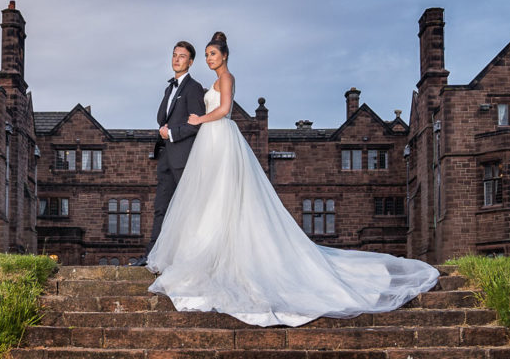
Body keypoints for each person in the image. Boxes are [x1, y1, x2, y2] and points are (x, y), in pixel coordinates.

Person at [146, 32, 440, 327]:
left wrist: (199, 120)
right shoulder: (209, 83)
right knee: (208, 197)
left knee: (223, 194)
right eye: (207, 54)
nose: (210, 58)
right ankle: (206, 252)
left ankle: (221, 255)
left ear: (224, 56)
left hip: (220, 136)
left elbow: (223, 110)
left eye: (213, 54)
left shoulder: (227, 79)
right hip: (209, 142)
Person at [131, 41, 206, 267]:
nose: (176, 59)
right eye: (174, 55)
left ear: (190, 62)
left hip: (183, 158)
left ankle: (190, 258)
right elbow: (161, 117)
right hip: (164, 156)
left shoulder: (194, 88)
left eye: (182, 56)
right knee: (161, 207)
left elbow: (196, 124)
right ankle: (152, 256)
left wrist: (171, 133)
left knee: (188, 209)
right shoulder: (169, 88)